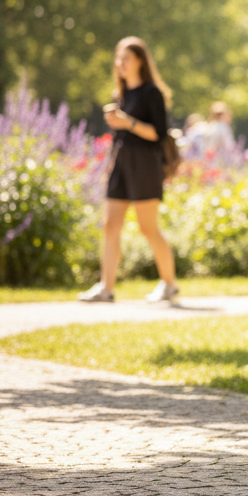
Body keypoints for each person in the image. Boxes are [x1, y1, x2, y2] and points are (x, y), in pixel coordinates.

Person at [79, 36, 180, 304]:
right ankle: (106, 288)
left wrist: (127, 122)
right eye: (118, 58)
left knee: (148, 227)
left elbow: (159, 134)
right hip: (121, 163)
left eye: (126, 58)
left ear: (139, 61)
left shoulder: (151, 93)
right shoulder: (121, 94)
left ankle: (169, 284)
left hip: (145, 164)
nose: (120, 63)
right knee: (110, 225)